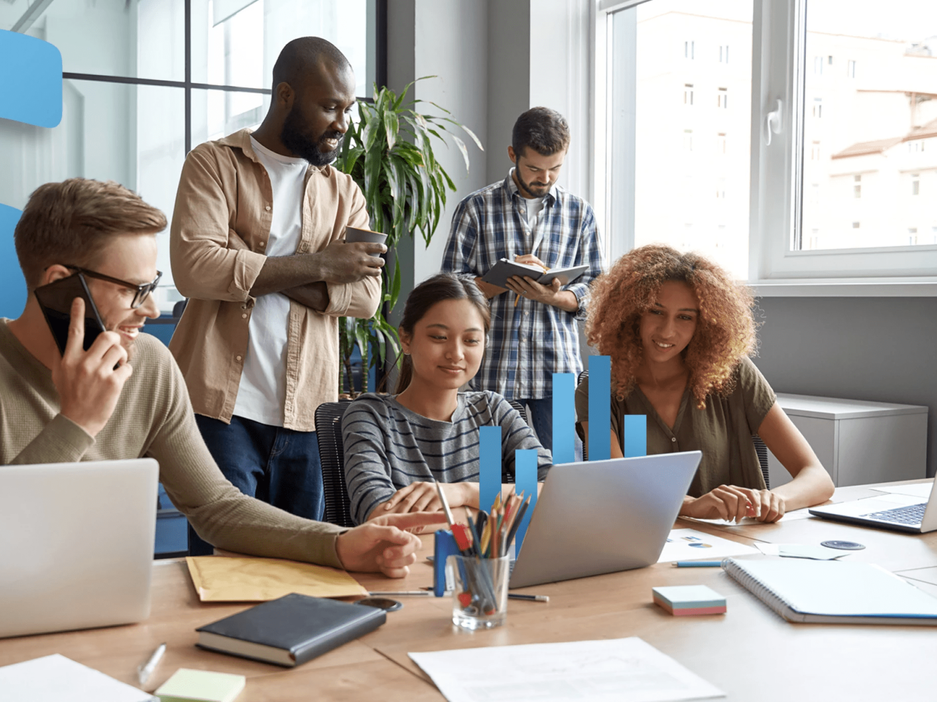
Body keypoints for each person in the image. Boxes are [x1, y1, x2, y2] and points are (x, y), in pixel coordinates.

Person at [0, 178, 439, 577]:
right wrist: (77, 421)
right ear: (61, 284)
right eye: (134, 289)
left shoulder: (150, 365)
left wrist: (340, 543)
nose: (152, 306)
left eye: (153, 283)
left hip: (110, 611)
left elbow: (215, 506)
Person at [169, 37, 383, 553]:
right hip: (220, 410)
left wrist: (245, 263)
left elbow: (367, 297)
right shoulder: (214, 164)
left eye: (347, 109)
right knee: (220, 566)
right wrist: (323, 265)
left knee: (299, 565)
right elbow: (195, 269)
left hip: (306, 412)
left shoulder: (345, 192)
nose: (342, 124)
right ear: (285, 95)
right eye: (329, 106)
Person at [575, 245, 835, 522]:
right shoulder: (597, 388)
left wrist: (774, 500)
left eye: (685, 317)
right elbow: (614, 486)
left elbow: (818, 478)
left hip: (743, 542)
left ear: (705, 324)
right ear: (632, 313)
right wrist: (690, 506)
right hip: (647, 545)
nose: (667, 331)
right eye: (656, 311)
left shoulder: (734, 372)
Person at [441, 107, 604, 454]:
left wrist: (556, 298)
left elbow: (596, 287)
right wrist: (501, 280)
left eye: (555, 169)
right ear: (513, 155)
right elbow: (449, 290)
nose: (545, 178)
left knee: (561, 471)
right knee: (489, 474)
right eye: (534, 168)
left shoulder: (581, 214)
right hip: (493, 368)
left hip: (557, 370)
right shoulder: (475, 208)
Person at [341, 274, 552, 524]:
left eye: (471, 340)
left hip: (490, 562)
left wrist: (463, 493)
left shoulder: (493, 411)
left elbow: (551, 492)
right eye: (439, 337)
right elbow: (379, 515)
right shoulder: (370, 415)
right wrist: (493, 508)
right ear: (406, 339)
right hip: (408, 560)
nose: (456, 353)